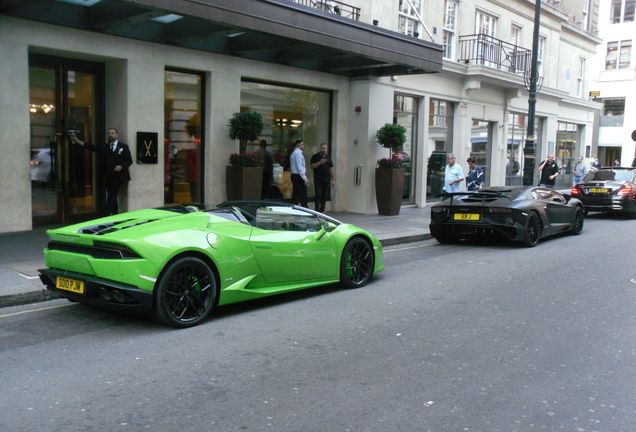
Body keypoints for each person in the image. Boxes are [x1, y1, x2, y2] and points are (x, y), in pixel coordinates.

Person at [71, 128, 132, 215]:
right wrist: (77, 141)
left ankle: (106, 216)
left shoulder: (123, 147)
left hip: (119, 177)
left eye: (112, 133)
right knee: (113, 197)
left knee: (111, 196)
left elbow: (129, 161)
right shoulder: (105, 146)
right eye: (109, 133)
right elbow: (91, 147)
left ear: (116, 135)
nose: (110, 135)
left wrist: (121, 166)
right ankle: (115, 216)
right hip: (108, 177)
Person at [310, 143, 335, 212]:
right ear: (320, 149)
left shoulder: (328, 157)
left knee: (324, 195)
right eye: (322, 148)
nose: (324, 149)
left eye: (325, 148)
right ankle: (317, 210)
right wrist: (320, 163)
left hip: (326, 180)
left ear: (327, 149)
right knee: (318, 194)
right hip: (318, 179)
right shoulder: (315, 156)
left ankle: (322, 210)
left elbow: (331, 169)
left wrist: (333, 179)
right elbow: (311, 166)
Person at [290, 139, 308, 207]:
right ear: (298, 145)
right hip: (298, 175)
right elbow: (299, 167)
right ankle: (304, 208)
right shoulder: (298, 153)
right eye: (302, 144)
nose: (303, 146)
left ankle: (295, 207)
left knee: (296, 193)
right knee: (303, 194)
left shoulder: (295, 153)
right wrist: (304, 178)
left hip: (295, 175)